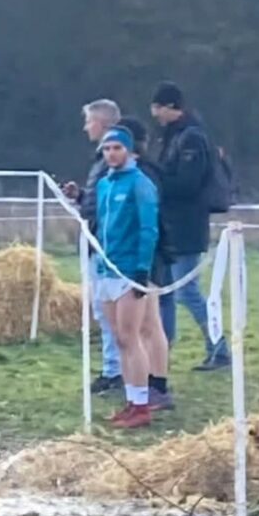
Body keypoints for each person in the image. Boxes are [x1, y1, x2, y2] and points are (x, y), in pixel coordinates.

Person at [150, 81, 231, 371]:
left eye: (158, 108)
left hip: (186, 225)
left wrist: (155, 179)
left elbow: (187, 183)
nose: (156, 114)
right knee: (168, 291)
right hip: (174, 224)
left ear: (171, 107)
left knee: (187, 291)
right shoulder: (176, 135)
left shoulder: (191, 139)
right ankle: (163, 349)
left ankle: (220, 348)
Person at [94, 127, 163, 429]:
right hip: (106, 269)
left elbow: (149, 228)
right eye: (107, 149)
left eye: (117, 148)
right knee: (119, 339)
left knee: (130, 336)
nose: (111, 154)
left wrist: (141, 269)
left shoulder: (140, 184)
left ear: (129, 151)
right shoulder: (104, 184)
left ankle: (142, 405)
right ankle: (132, 399)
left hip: (129, 271)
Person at [61, 99, 123, 395]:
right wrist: (82, 196)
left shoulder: (110, 163)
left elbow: (107, 204)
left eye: (89, 121)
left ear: (103, 124)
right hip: (98, 240)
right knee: (103, 309)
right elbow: (99, 199)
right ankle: (115, 368)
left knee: (107, 309)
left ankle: (115, 371)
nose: (86, 127)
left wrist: (87, 204)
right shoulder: (101, 162)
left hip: (104, 244)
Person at [118, 117, 174, 410]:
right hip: (146, 255)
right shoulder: (144, 172)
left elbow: (147, 222)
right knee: (149, 324)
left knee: (149, 326)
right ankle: (155, 384)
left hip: (146, 256)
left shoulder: (143, 175)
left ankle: (158, 386)